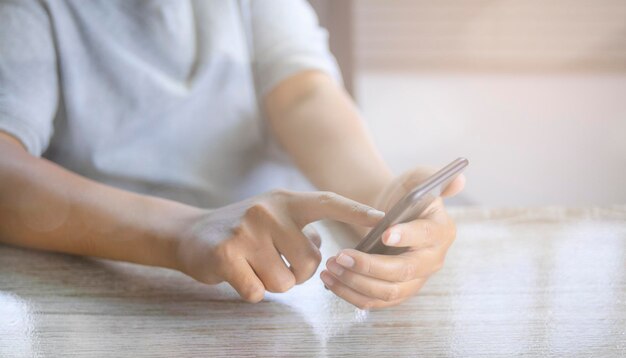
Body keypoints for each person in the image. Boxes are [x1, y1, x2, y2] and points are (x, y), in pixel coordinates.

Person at [0, 0, 464, 309]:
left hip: (278, 297)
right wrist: (185, 230)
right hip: (105, 293)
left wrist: (377, 201)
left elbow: (303, 95)